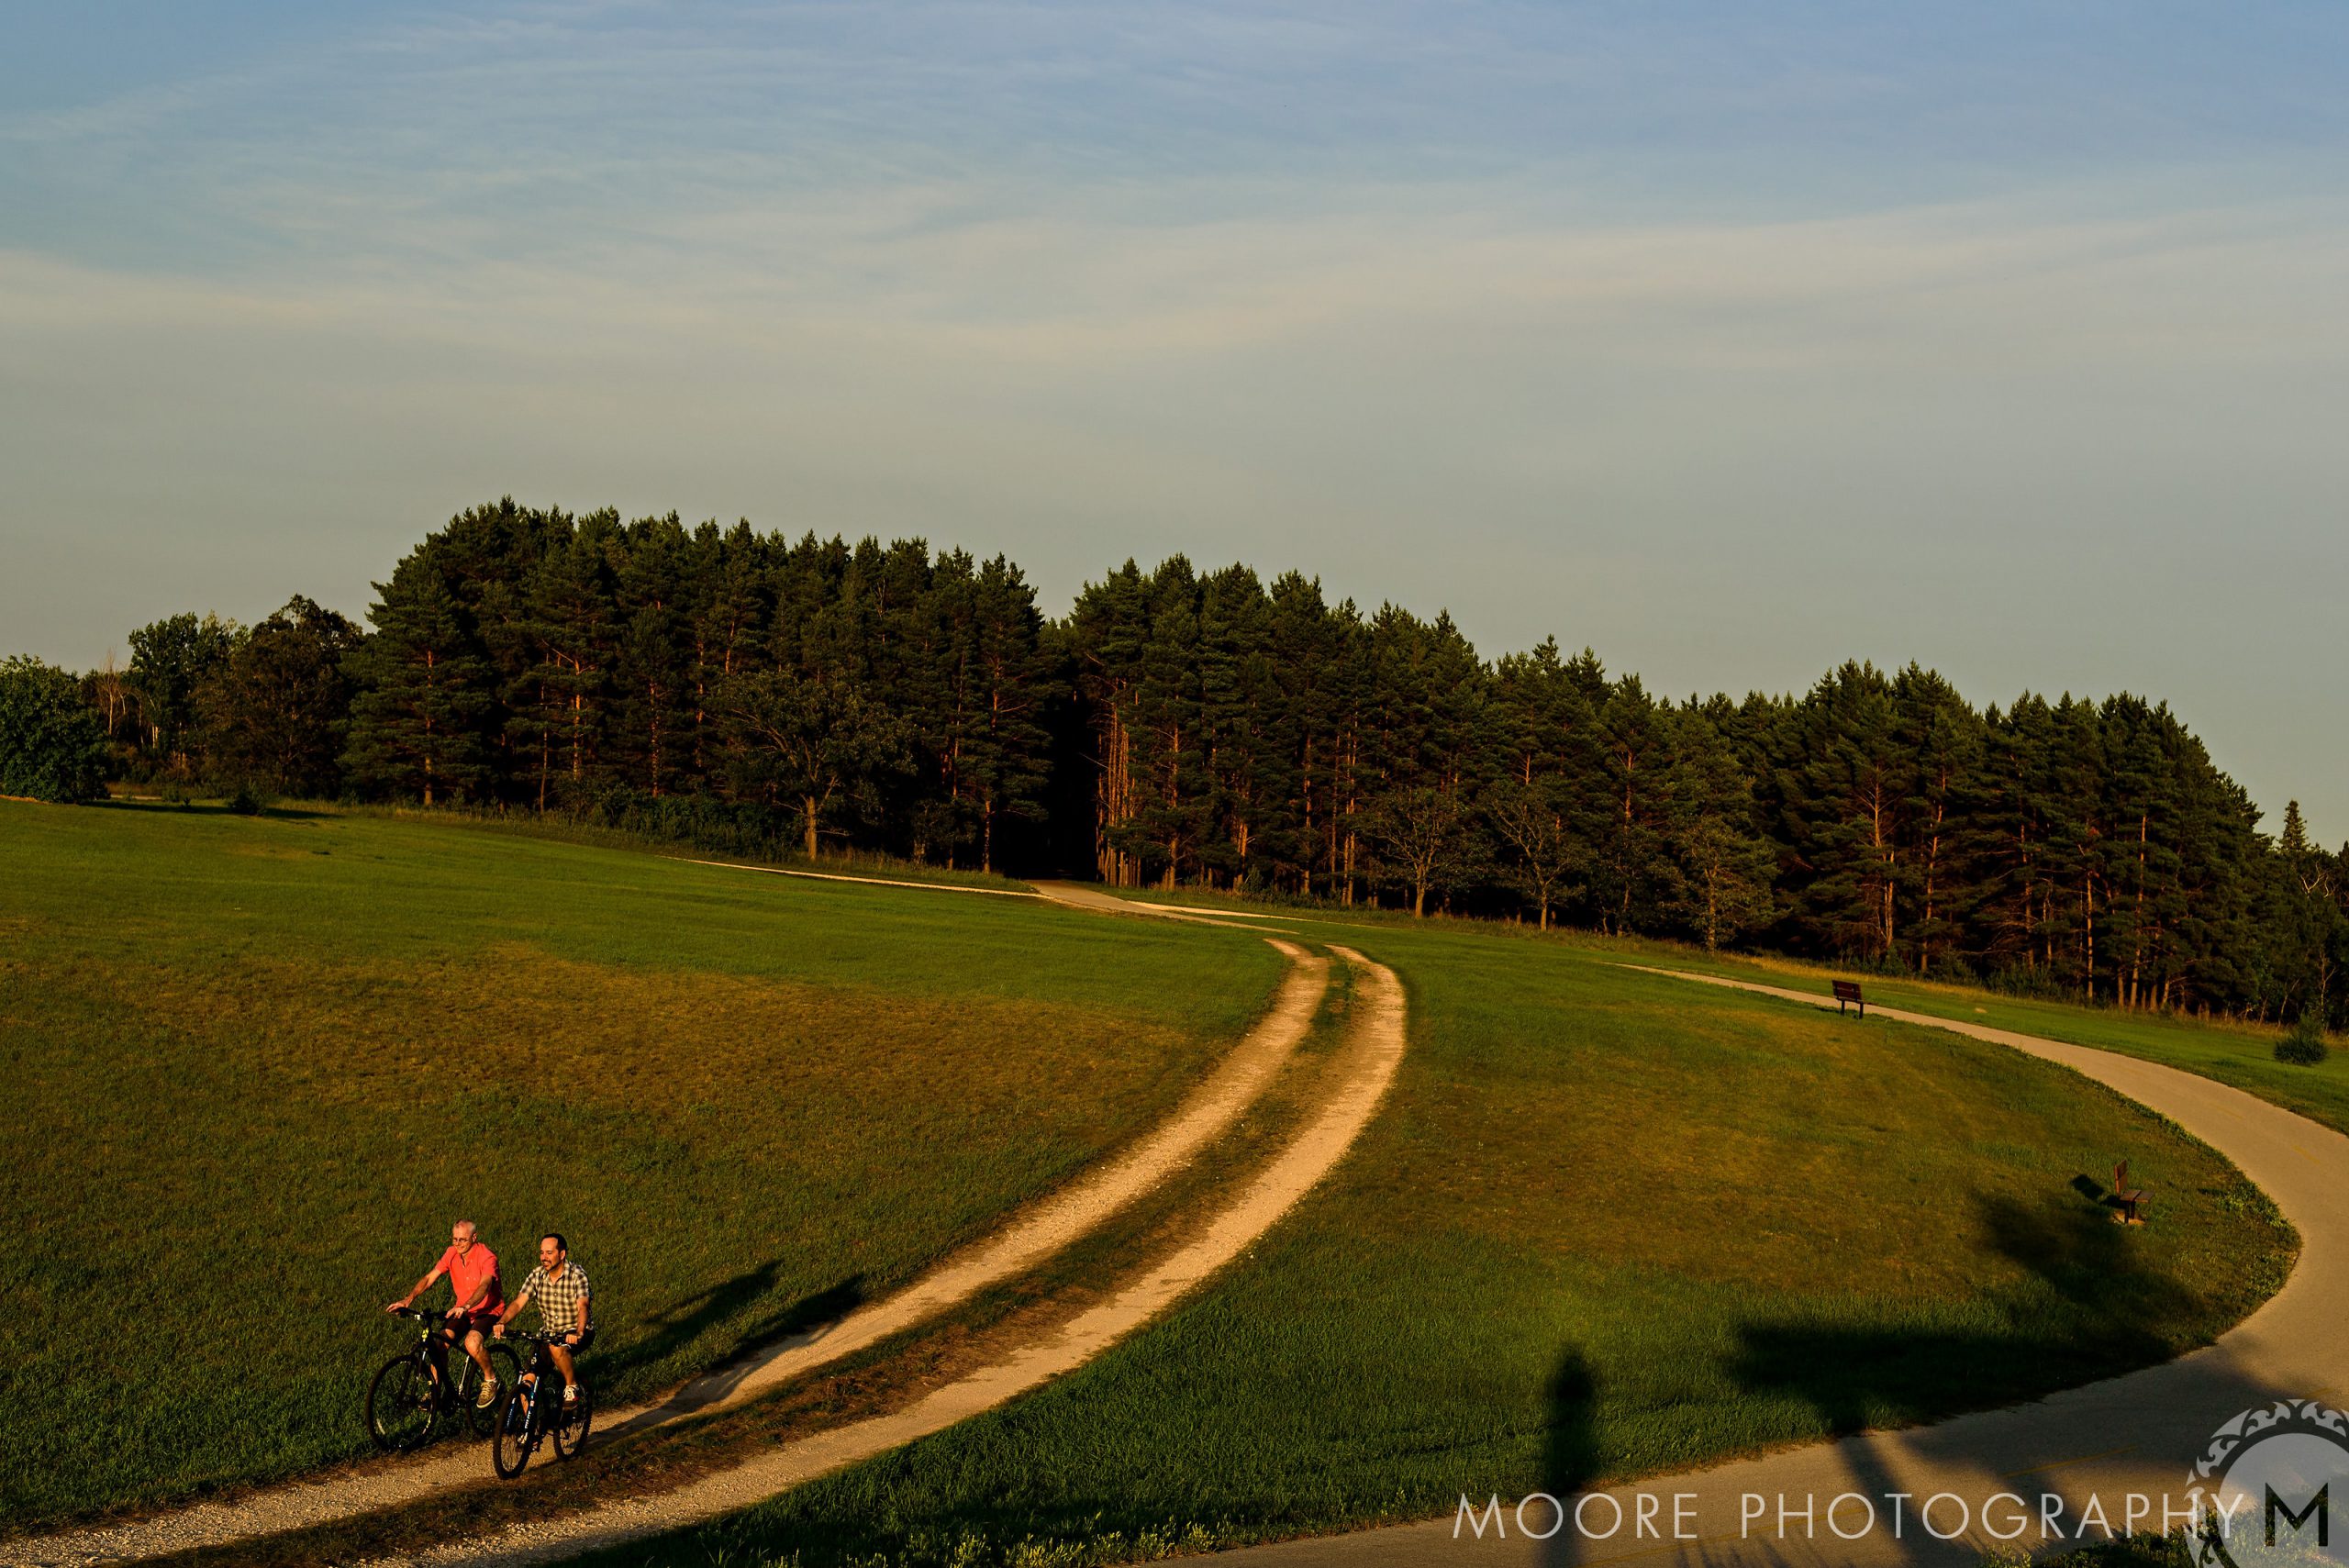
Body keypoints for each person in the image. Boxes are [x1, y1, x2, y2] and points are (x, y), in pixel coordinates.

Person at [384, 1219, 505, 1407]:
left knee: (472, 1343)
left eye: (462, 1240)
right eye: (455, 1239)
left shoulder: (487, 1257)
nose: (457, 1244)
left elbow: (485, 1285)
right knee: (439, 1344)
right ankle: (436, 1391)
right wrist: (408, 1300)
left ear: (474, 1237)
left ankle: (491, 1380)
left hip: (487, 1310)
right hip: (461, 1309)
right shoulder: (452, 1253)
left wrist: (466, 1306)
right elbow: (430, 1277)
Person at [495, 1232, 592, 1404]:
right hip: (549, 1334)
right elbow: (518, 1303)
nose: (544, 1257)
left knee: (557, 1348)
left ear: (562, 1255)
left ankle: (572, 1386)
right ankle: (532, 1427)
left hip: (577, 1330)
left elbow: (583, 1306)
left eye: (549, 1253)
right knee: (527, 1381)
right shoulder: (537, 1275)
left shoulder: (577, 1274)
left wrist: (579, 1331)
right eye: (541, 1253)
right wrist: (502, 1322)